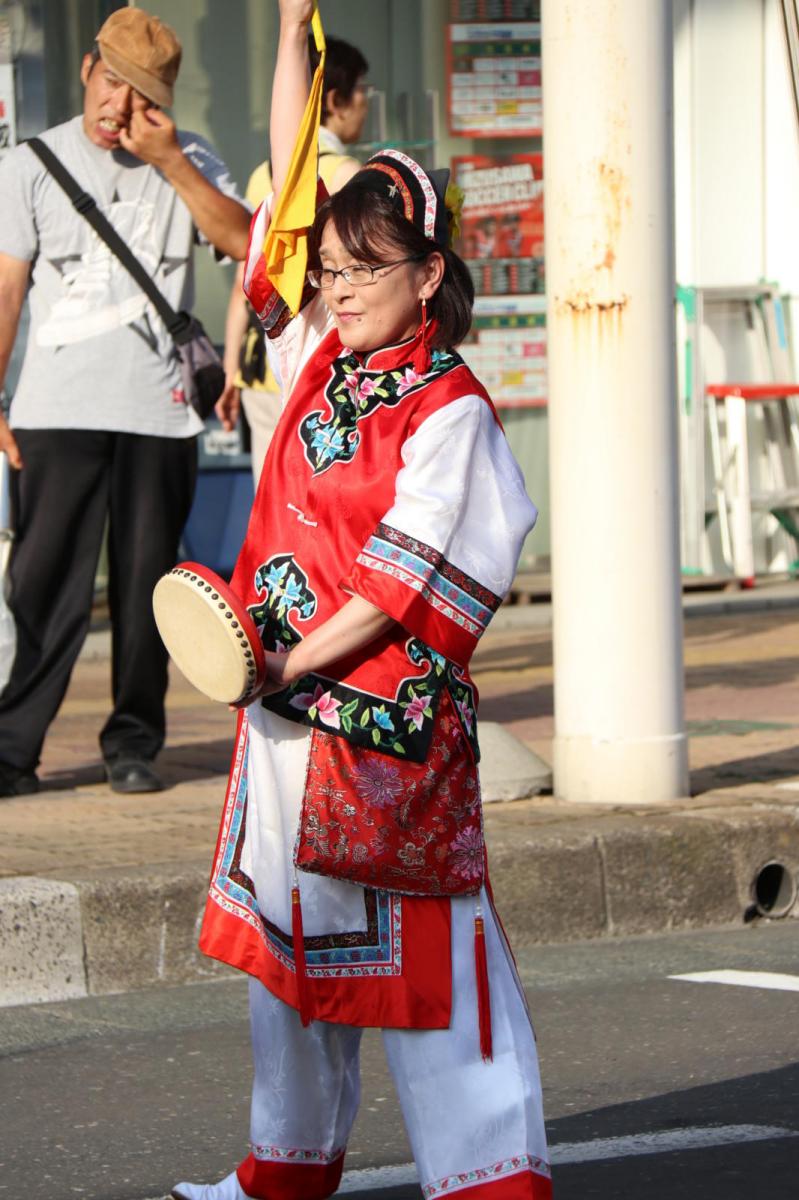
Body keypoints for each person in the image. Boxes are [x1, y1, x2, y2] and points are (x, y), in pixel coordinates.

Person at [171, 3, 550, 1199]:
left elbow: (404, 583)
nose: (330, 287)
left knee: (439, 968)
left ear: (429, 273)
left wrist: (287, 666)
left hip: (380, 733)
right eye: (327, 270)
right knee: (286, 960)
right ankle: (283, 1169)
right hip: (289, 724)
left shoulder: (451, 416)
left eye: (360, 270)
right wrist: (293, 37)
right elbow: (287, 198)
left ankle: (494, 1177)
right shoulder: (319, 361)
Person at [0, 8, 251, 797]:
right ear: (85, 69)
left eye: (139, 93)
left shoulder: (190, 157)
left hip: (161, 411)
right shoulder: (30, 165)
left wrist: (171, 159)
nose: (118, 106)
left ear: (164, 99)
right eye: (111, 83)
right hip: (54, 409)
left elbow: (246, 243)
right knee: (42, 587)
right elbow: (6, 288)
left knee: (150, 591)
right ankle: (11, 749)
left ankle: (134, 744)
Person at [217, 34, 369, 483]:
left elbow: (245, 277)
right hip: (321, 362)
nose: (365, 103)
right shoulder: (346, 174)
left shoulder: (261, 176)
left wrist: (231, 368)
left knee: (269, 493)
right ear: (337, 100)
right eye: (362, 91)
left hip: (258, 364)